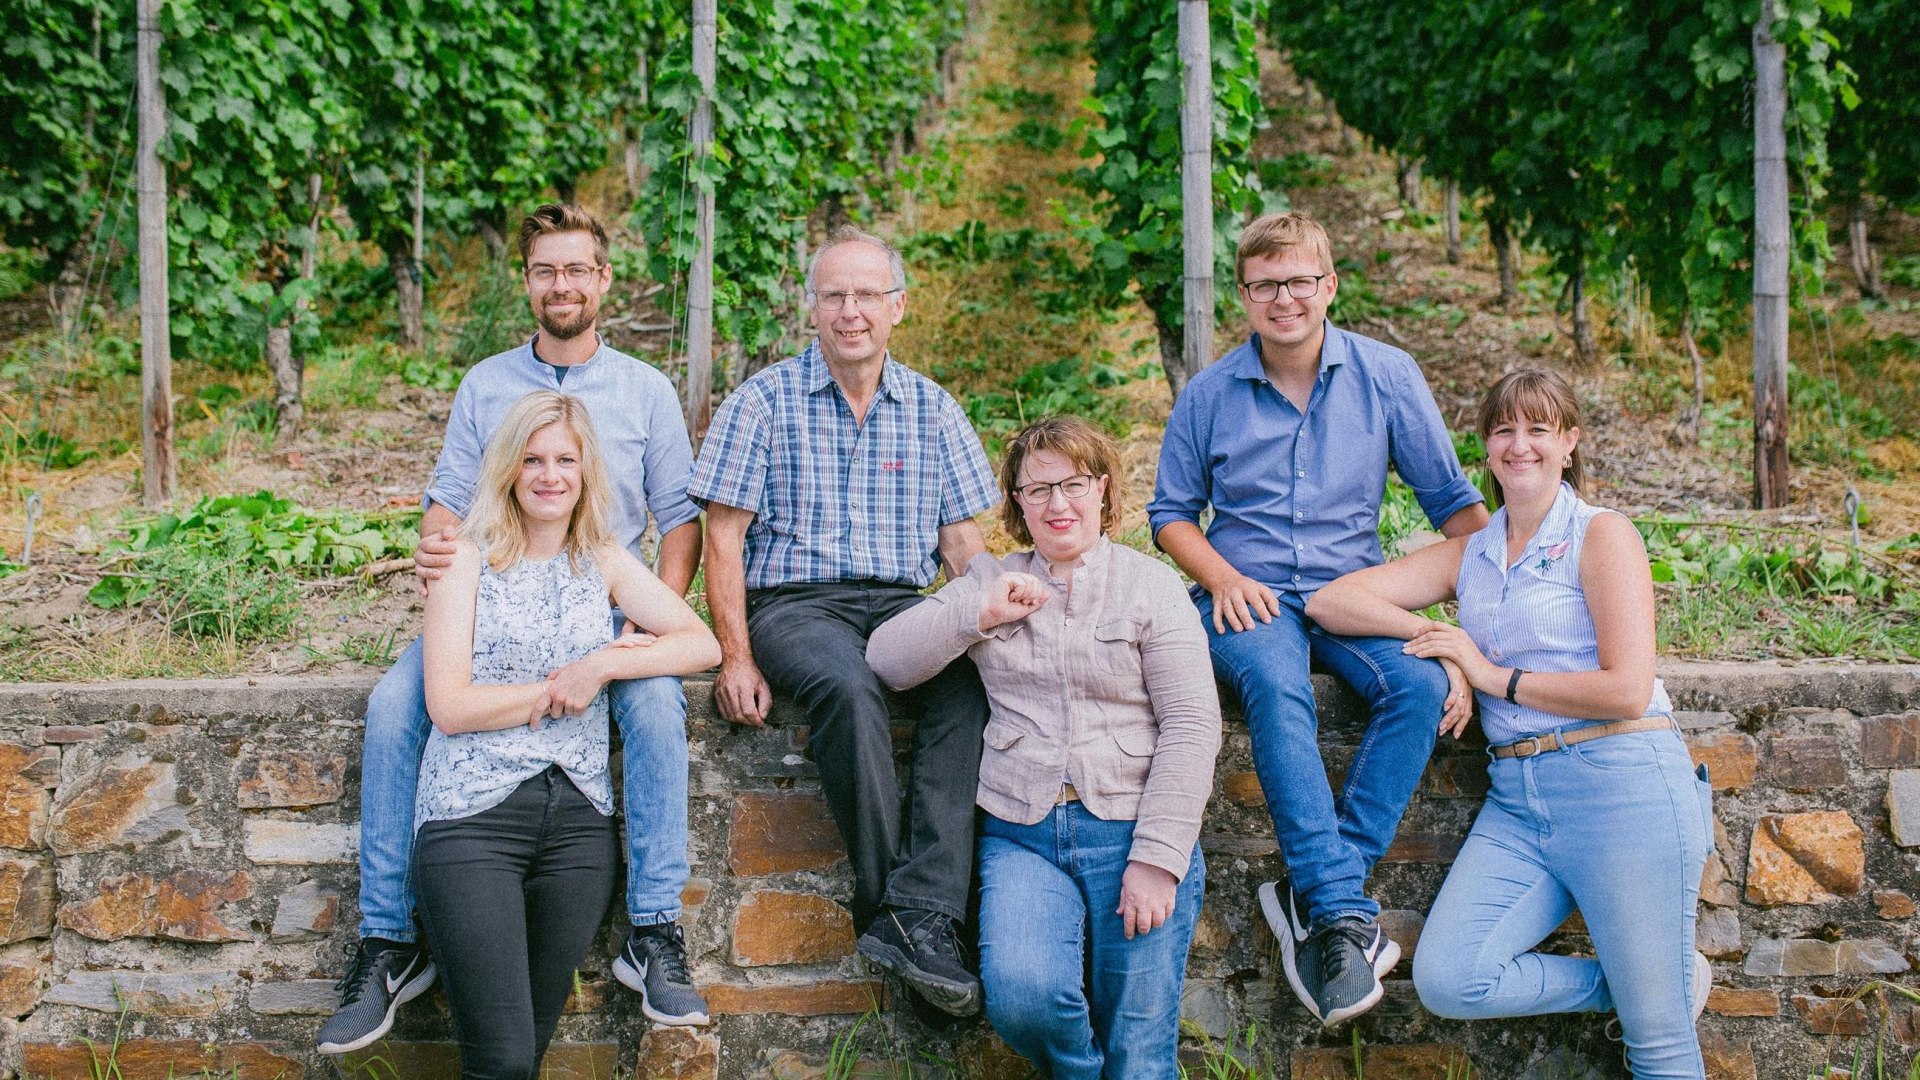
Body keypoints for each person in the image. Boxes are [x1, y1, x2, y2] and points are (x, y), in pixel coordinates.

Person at [319, 204, 709, 1055]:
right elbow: (446, 501)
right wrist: (438, 552)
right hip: (490, 606)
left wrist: (639, 632)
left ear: (603, 280)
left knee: (654, 709)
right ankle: (388, 943)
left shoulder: (645, 389)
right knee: (394, 708)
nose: (561, 284)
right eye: (545, 270)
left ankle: (654, 931)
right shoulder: (486, 385)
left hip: (604, 607)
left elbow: (680, 519)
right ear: (527, 280)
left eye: (577, 269)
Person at [1306, 369, 1714, 1079]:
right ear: (1487, 450)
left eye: (1538, 429)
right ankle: (1642, 985)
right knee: (1451, 978)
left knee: (1660, 1047)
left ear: (1569, 442)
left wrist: (1492, 675)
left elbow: (1627, 688)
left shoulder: (1601, 535)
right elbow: (1333, 602)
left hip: (1621, 782)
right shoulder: (1477, 551)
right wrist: (1448, 652)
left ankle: (1657, 1000)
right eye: (1503, 430)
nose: (1519, 444)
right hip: (1519, 799)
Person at [1146, 211, 1488, 1026]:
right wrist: (1222, 578)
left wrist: (1457, 638)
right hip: (1249, 598)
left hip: (1352, 594)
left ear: (1330, 285)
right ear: (1244, 295)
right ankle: (1339, 914)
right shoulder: (1211, 393)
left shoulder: (1388, 375)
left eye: (1300, 281)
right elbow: (1170, 513)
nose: (1284, 298)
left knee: (1417, 691)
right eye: (1265, 285)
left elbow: (1462, 516)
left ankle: (1320, 897)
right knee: (1274, 684)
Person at [690, 225, 999, 1016]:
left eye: (867, 295)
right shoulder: (762, 401)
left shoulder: (932, 407)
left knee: (966, 689)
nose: (851, 311)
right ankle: (894, 907)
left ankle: (921, 911)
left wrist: (996, 615)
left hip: (900, 604)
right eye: (835, 295)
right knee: (848, 688)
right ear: (814, 309)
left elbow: (964, 545)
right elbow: (721, 538)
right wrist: (736, 657)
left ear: (897, 307)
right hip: (796, 606)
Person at [867, 416, 1222, 1077]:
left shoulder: (1153, 588)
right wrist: (978, 613)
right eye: (1037, 490)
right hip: (1022, 834)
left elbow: (1193, 725)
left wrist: (1159, 858)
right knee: (1024, 999)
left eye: (1074, 484)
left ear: (1103, 490)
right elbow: (886, 658)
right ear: (1017, 505)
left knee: (1140, 1054)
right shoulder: (995, 581)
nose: (1058, 504)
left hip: (1131, 831)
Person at [408, 391, 721, 1079]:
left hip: (578, 831)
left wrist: (604, 664)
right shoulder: (465, 559)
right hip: (473, 821)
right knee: (503, 1062)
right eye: (534, 460)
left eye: (565, 461)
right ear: (509, 471)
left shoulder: (602, 560)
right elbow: (450, 706)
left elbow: (701, 644)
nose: (550, 475)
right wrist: (558, 692)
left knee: (528, 1053)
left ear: (585, 472)